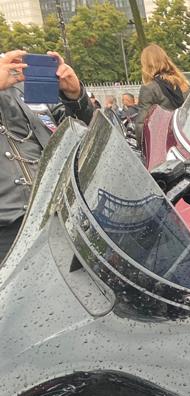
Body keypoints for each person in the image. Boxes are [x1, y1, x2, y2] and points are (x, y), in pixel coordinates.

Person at [0, 49, 93, 260]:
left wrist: (74, 95)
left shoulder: (24, 76)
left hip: (55, 215)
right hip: (7, 231)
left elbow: (82, 132)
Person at [135, 44, 190, 144]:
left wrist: (140, 145)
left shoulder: (149, 88)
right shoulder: (184, 84)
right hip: (186, 140)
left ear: (146, 65)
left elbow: (141, 125)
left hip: (163, 143)